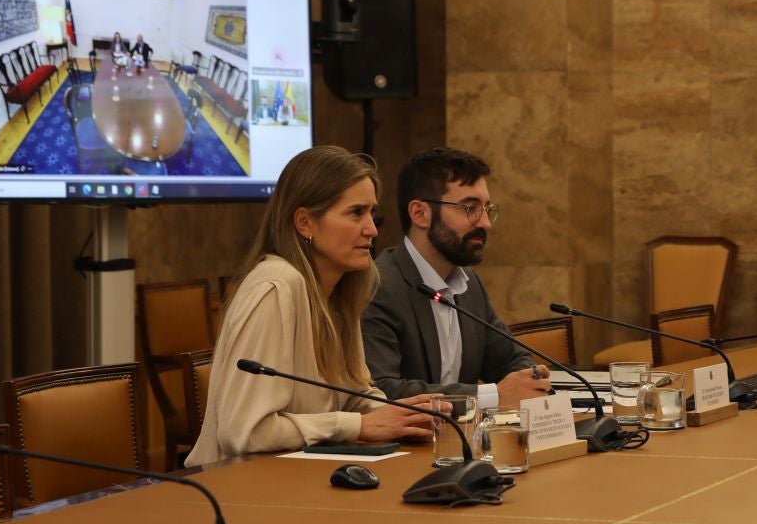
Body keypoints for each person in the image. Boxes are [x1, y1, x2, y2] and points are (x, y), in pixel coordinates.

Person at [186, 145, 441, 466]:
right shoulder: (275, 286)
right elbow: (244, 432)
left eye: (372, 215)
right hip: (239, 490)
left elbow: (353, 396)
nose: (372, 230)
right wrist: (358, 426)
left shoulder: (338, 291)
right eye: (355, 213)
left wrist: (406, 417)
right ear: (305, 223)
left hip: (298, 480)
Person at [362, 147, 550, 409]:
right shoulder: (377, 285)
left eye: (487, 209)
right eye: (469, 208)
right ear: (420, 213)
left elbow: (511, 360)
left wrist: (529, 379)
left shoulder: (468, 284)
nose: (485, 223)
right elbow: (382, 389)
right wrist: (492, 397)